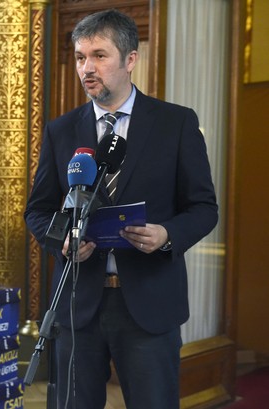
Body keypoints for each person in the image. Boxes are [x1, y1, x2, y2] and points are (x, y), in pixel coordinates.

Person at [24, 9, 218, 409]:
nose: (87, 68)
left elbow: (203, 208)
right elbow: (39, 211)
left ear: (130, 59)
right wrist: (64, 242)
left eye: (99, 55)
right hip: (79, 306)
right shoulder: (61, 131)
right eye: (80, 57)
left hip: (148, 306)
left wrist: (167, 235)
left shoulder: (176, 124)